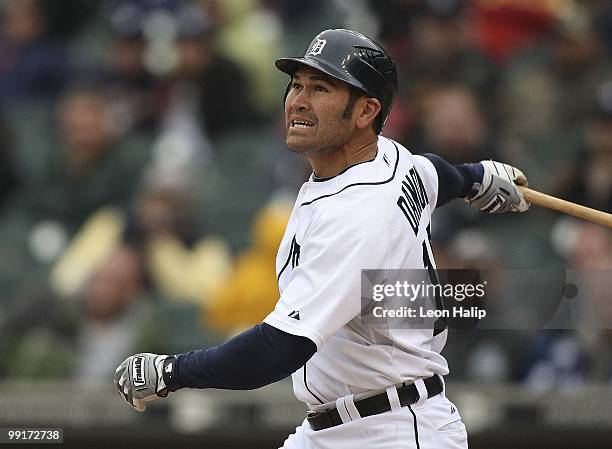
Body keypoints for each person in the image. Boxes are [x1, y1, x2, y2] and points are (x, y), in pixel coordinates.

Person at [113, 29, 530, 448]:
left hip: (392, 430)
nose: (298, 100)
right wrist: (475, 178)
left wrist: (172, 371)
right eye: (296, 85)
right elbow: (433, 171)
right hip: (339, 425)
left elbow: (279, 349)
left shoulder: (361, 212)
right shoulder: (386, 157)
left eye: (321, 88)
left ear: (366, 111)